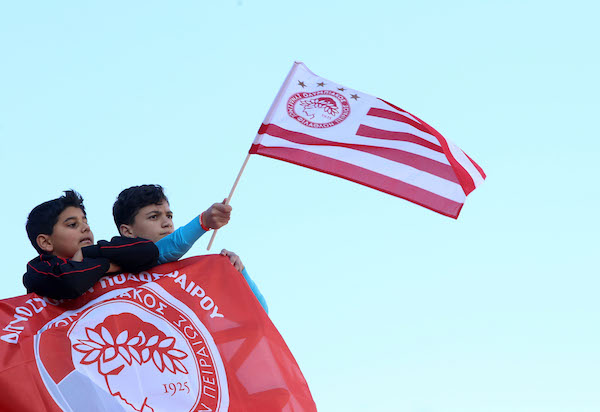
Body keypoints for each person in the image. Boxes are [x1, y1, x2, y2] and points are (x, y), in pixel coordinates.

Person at [112, 184, 268, 312]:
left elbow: (259, 312)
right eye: (154, 217)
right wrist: (203, 222)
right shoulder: (111, 266)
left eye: (169, 216)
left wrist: (239, 273)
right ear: (127, 231)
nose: (167, 223)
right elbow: (158, 252)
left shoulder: (190, 280)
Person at [23, 190, 159, 300]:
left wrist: (89, 252)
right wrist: (106, 266)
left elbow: (149, 251)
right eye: (72, 225)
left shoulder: (99, 255)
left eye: (85, 222)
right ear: (46, 242)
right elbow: (71, 281)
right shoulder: (38, 270)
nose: (86, 228)